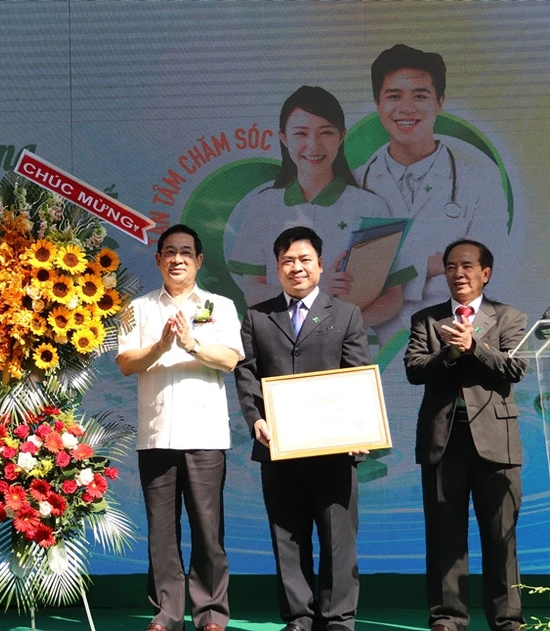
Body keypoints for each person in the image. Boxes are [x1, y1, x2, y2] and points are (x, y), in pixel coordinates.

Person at [234, 227, 370, 631]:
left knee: (338, 536)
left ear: (321, 265)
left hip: (334, 448)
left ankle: (338, 618)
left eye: (304, 259)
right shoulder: (258, 316)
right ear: (277, 268)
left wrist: (360, 430)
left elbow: (357, 375)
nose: (296, 267)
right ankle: (299, 617)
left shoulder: (346, 314)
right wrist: (256, 418)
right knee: (288, 535)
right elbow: (246, 373)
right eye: (287, 261)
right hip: (278, 444)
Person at [116, 224, 244, 631]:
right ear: (158, 260)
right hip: (156, 434)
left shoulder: (220, 305)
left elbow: (230, 359)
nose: (177, 259)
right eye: (169, 252)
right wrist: (159, 347)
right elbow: (126, 363)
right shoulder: (137, 308)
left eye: (186, 252)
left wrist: (192, 345)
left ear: (199, 260)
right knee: (161, 530)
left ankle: (211, 614)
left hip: (205, 433)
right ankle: (168, 613)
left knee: (208, 527)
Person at [404, 239, 528, 631]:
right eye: (451, 266)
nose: (459, 274)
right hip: (443, 440)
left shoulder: (509, 316)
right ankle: (448, 617)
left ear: (485, 273)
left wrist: (474, 346)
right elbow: (414, 370)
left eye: (468, 266)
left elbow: (515, 368)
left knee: (501, 535)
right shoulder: (427, 319)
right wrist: (450, 353)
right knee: (445, 535)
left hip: (497, 441)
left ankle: (507, 619)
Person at [357, 45, 510, 325]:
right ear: (378, 103)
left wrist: (388, 275)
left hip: (451, 332)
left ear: (440, 102)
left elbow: (484, 274)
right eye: (393, 96)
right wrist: (428, 266)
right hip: (370, 339)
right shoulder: (353, 184)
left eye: (420, 95)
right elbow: (349, 281)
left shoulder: (480, 182)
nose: (406, 107)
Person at [226, 85, 400, 327]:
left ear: (341, 136)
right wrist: (313, 290)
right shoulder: (263, 205)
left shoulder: (371, 206)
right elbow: (253, 291)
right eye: (300, 133)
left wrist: (344, 327)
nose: (313, 145)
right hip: (281, 338)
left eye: (326, 133)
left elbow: (393, 297)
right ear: (284, 138)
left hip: (347, 343)